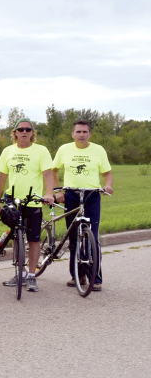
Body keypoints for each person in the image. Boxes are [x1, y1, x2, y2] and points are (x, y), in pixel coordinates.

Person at [0, 118, 54, 292]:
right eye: (21, 129)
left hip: (33, 200)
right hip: (12, 200)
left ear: (32, 133)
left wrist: (49, 193)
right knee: (17, 237)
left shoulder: (41, 151)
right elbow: (1, 178)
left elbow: (48, 174)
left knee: (33, 240)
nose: (24, 132)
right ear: (15, 133)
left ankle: (32, 276)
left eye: (28, 129)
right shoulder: (8, 151)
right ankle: (21, 273)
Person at [51, 119, 113, 292]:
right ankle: (77, 275)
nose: (81, 135)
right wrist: (57, 191)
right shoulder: (64, 149)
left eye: (85, 132)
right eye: (78, 132)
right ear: (73, 134)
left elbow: (107, 174)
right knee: (73, 237)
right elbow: (53, 170)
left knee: (92, 235)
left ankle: (96, 277)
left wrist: (107, 185)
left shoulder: (98, 150)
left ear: (89, 134)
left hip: (92, 194)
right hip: (71, 194)